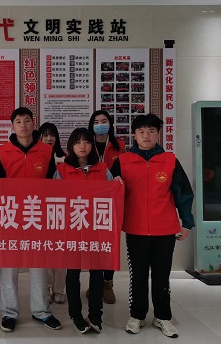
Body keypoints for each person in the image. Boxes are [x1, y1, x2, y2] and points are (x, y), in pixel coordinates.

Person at [111, 114, 194, 338]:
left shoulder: (169, 160)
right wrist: (114, 183)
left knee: (161, 275)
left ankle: (162, 317)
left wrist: (187, 222)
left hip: (164, 229)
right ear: (134, 135)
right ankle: (137, 315)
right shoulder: (123, 161)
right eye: (141, 132)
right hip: (135, 229)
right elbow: (108, 193)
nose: (146, 136)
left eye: (151, 131)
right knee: (137, 275)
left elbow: (183, 193)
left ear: (158, 134)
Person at [0, 107, 61, 333]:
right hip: (10, 214)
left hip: (37, 214)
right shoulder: (3, 151)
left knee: (39, 264)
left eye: (26, 121)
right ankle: (9, 313)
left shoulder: (46, 150)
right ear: (12, 126)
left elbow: (53, 184)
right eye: (18, 121)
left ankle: (41, 311)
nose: (23, 125)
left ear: (33, 124)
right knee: (9, 266)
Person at [54, 128, 122, 334]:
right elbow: (55, 198)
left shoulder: (102, 169)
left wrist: (117, 183)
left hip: (96, 229)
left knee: (96, 273)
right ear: (71, 146)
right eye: (77, 142)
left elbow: (113, 194)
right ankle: (76, 315)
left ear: (92, 145)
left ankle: (95, 315)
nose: (82, 146)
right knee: (72, 274)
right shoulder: (62, 170)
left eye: (86, 142)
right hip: (72, 229)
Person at [86, 109, 126, 304]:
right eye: (96, 122)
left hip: (112, 200)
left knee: (110, 243)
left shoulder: (120, 146)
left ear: (110, 124)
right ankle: (94, 283)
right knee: (93, 243)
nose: (100, 125)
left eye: (104, 121)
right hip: (90, 200)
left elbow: (125, 172)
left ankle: (108, 283)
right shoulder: (86, 144)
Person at [39, 122, 67, 304]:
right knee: (45, 252)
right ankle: (47, 288)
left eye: (52, 135)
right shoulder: (37, 157)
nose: (49, 138)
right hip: (40, 210)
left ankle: (59, 289)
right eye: (45, 135)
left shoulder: (66, 158)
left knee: (60, 252)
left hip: (61, 211)